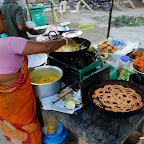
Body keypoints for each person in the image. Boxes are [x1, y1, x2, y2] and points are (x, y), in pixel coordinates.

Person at [0, 9, 74, 143]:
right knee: (29, 131)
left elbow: (5, 69)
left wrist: (24, 70)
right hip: (19, 105)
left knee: (13, 130)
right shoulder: (9, 43)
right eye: (2, 18)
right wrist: (65, 41)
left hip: (4, 106)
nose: (5, 21)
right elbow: (46, 46)